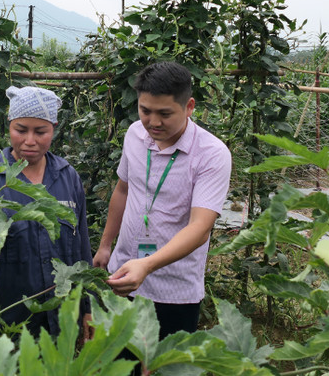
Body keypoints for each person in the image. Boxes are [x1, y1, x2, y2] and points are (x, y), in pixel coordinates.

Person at [93, 61, 232, 338]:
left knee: (170, 364)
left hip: (174, 290)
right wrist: (106, 244)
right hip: (122, 277)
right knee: (119, 363)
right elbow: (123, 190)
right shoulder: (134, 134)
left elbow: (200, 228)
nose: (153, 122)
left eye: (165, 113)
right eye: (145, 111)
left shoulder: (212, 155)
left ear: (189, 106)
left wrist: (146, 265)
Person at [0, 85, 92, 338]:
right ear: (9, 126)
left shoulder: (67, 177)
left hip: (61, 321)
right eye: (20, 130)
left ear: (54, 128)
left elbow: (81, 246)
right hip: (8, 324)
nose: (30, 141)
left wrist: (88, 305)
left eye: (41, 131)